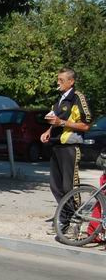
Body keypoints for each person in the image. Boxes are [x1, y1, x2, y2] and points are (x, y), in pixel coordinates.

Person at [40, 67, 92, 234]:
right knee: (55, 186)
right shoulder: (59, 100)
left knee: (70, 187)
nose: (58, 83)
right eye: (58, 80)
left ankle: (74, 221)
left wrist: (61, 123)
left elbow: (86, 125)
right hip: (56, 147)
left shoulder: (78, 98)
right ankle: (64, 219)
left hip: (70, 147)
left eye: (61, 80)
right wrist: (47, 132)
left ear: (71, 81)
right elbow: (55, 122)